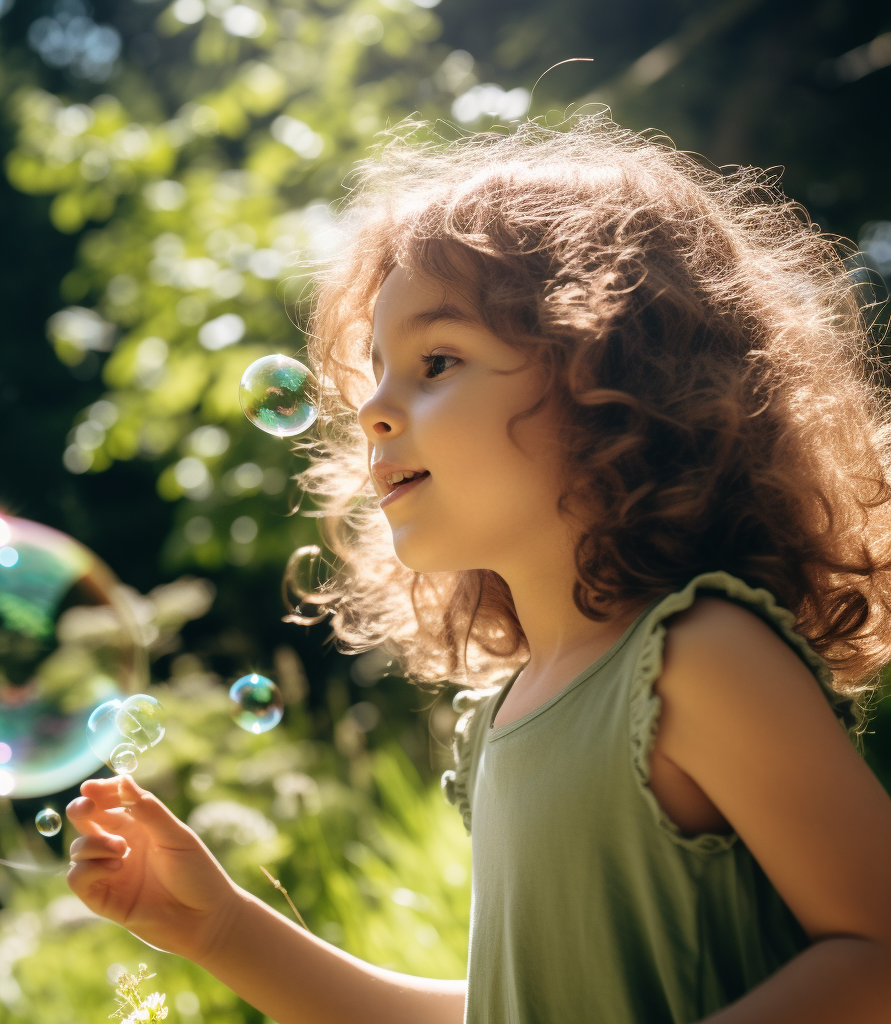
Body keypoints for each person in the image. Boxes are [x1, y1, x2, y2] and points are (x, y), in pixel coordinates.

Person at [66, 113, 891, 1023]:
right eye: (374, 374)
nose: (375, 408)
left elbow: (875, 951)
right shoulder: (512, 709)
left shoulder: (693, 659)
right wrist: (223, 930)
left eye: (437, 361)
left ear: (611, 377)